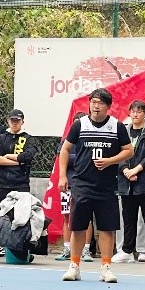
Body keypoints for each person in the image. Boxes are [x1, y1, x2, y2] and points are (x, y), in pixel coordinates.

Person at [57, 88, 133, 283]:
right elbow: (65, 149)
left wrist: (110, 161)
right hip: (82, 183)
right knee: (78, 226)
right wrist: (62, 176)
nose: (96, 106)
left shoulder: (116, 126)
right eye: (93, 102)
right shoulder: (79, 125)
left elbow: (128, 151)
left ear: (108, 106)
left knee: (107, 227)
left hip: (107, 185)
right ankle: (74, 266)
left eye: (100, 103)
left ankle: (106, 267)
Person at [112, 100, 145, 266]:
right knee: (128, 219)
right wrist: (125, 170)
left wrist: (137, 169)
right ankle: (127, 251)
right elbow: (116, 153)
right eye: (133, 111)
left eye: (139, 111)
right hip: (127, 184)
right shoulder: (124, 131)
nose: (135, 114)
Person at [55, 112, 94, 264]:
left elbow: (88, 160)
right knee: (67, 216)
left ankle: (86, 250)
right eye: (76, 122)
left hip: (85, 185)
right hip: (68, 185)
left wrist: (77, 159)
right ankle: (67, 248)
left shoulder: (91, 140)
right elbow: (63, 157)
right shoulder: (67, 141)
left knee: (86, 218)